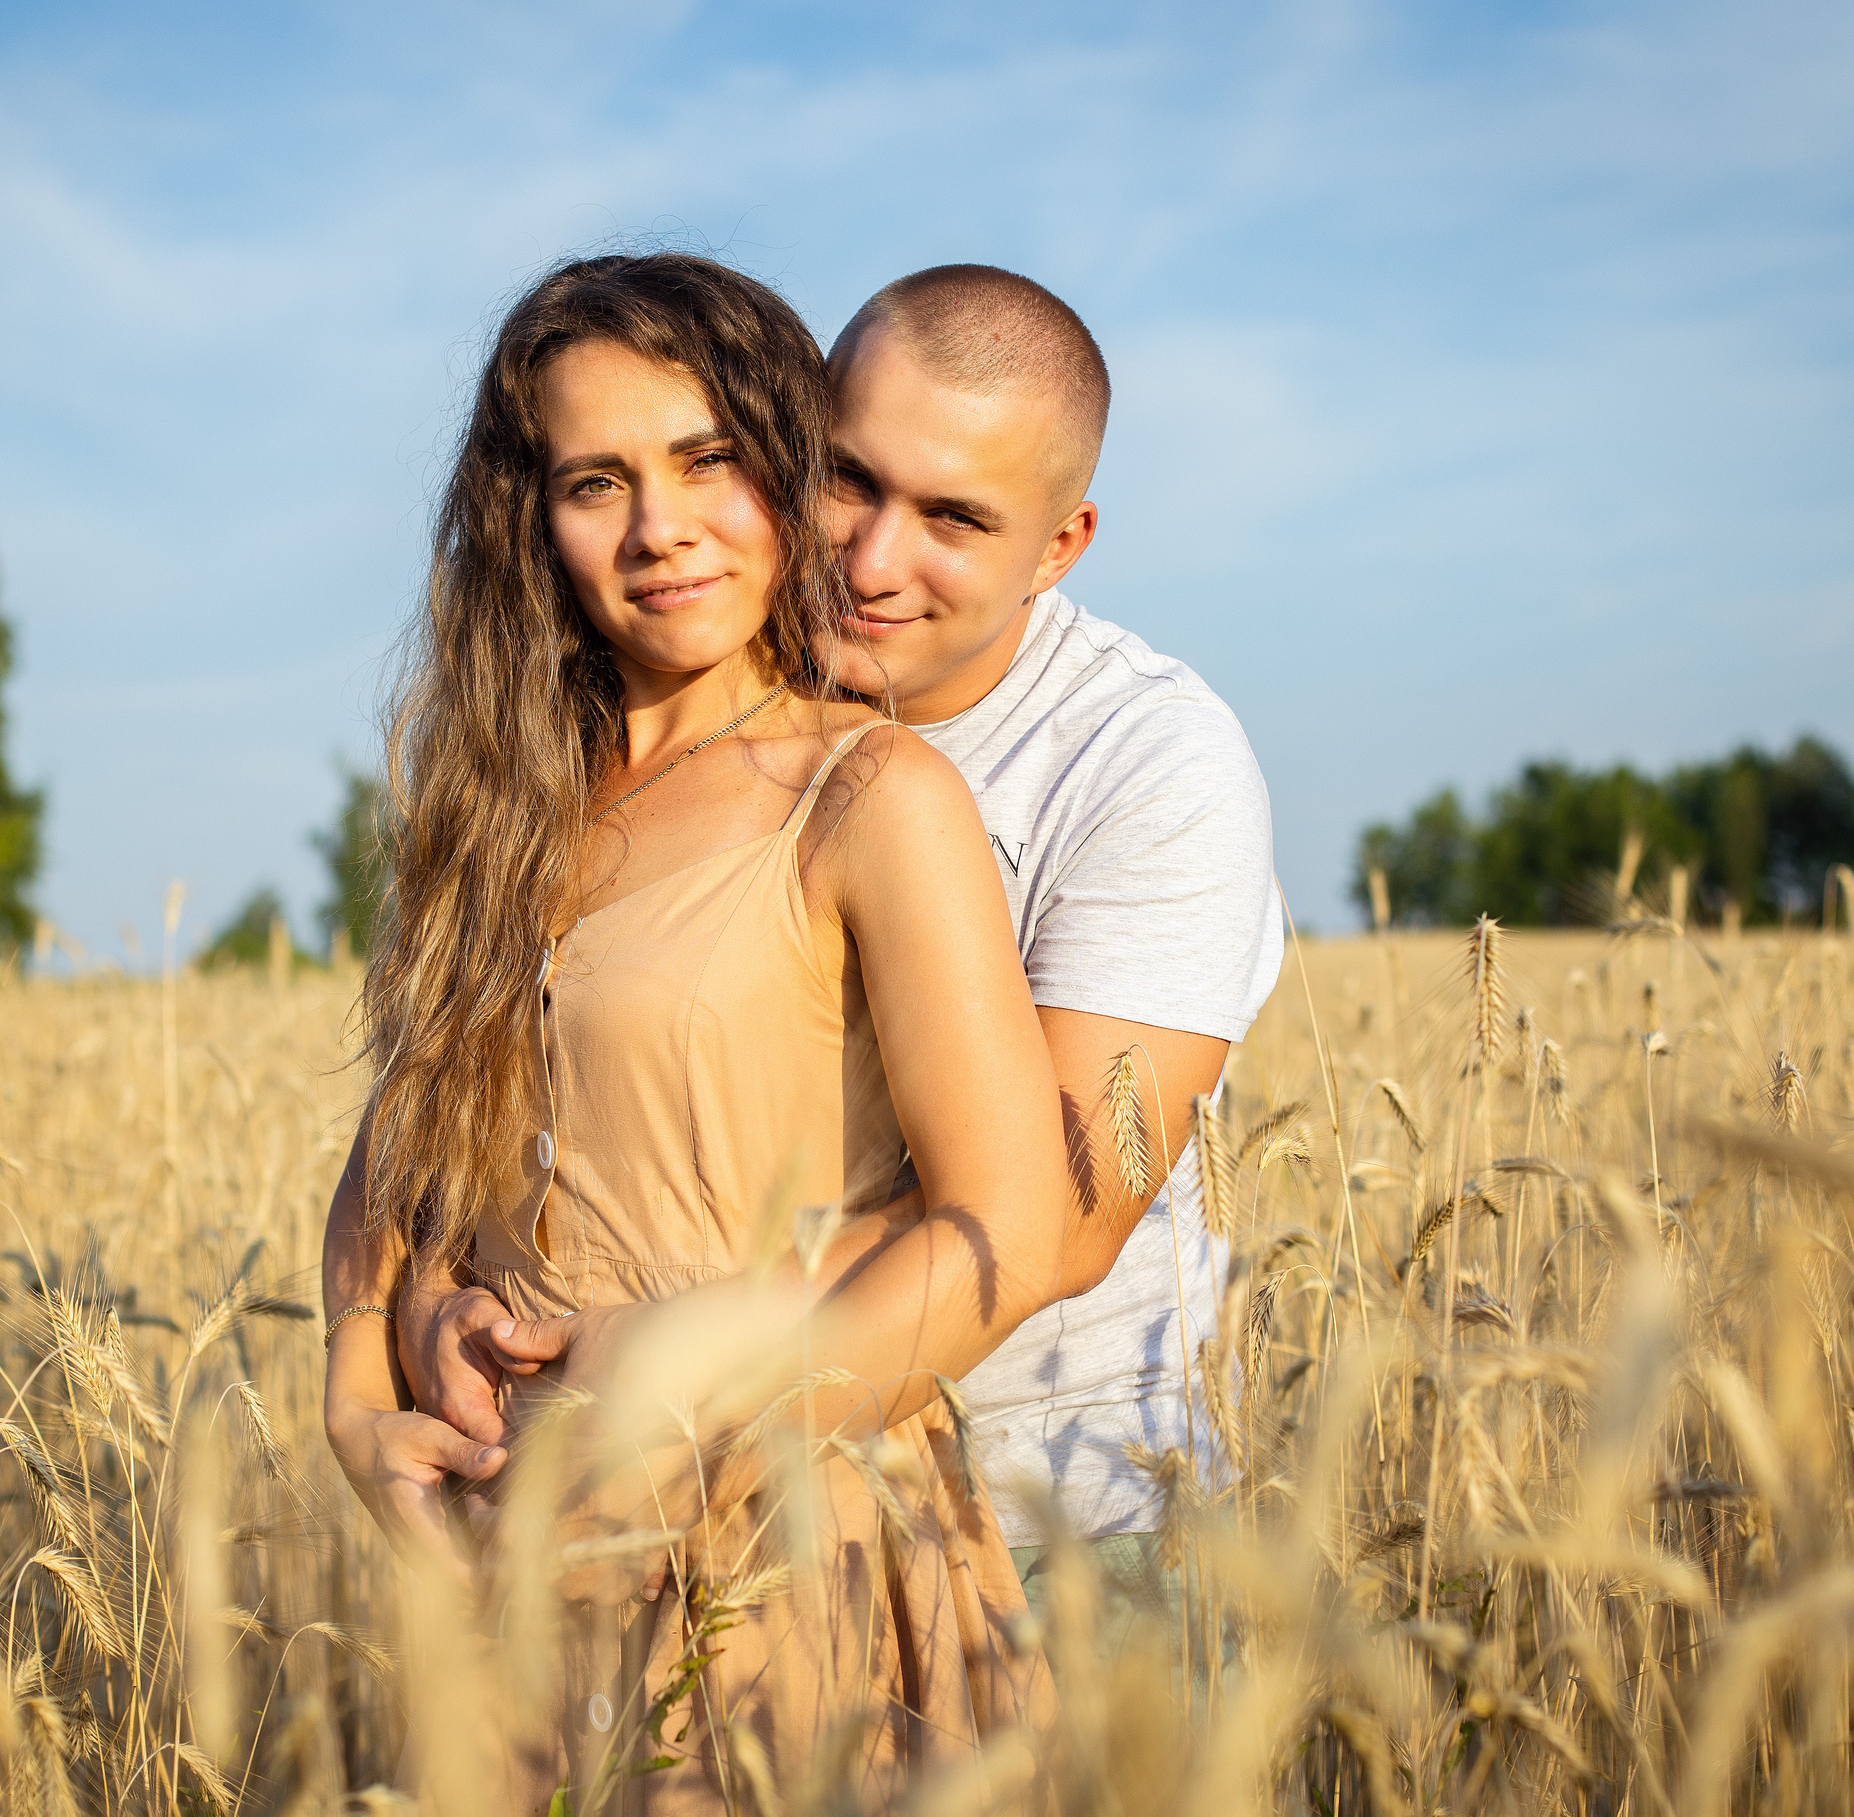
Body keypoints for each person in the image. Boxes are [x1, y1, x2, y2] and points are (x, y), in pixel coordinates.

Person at [409, 265, 1283, 1635]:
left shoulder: (1151, 764)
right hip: (717, 1526)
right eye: (850, 481)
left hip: (1067, 1518)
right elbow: (458, 1102)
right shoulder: (706, 692)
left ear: (1060, 546)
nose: (873, 560)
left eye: (952, 518)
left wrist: (674, 1348)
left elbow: (1050, 1217)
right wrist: (420, 1325)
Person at [317, 253, 1070, 1810]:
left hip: (777, 1563)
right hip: (509, 1582)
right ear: (531, 518)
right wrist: (370, 1377)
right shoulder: (499, 811)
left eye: (707, 460)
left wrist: (706, 1407)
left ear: (787, 471)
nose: (660, 528)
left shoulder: (867, 799)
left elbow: (1011, 1225)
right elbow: (396, 1160)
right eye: (597, 479)